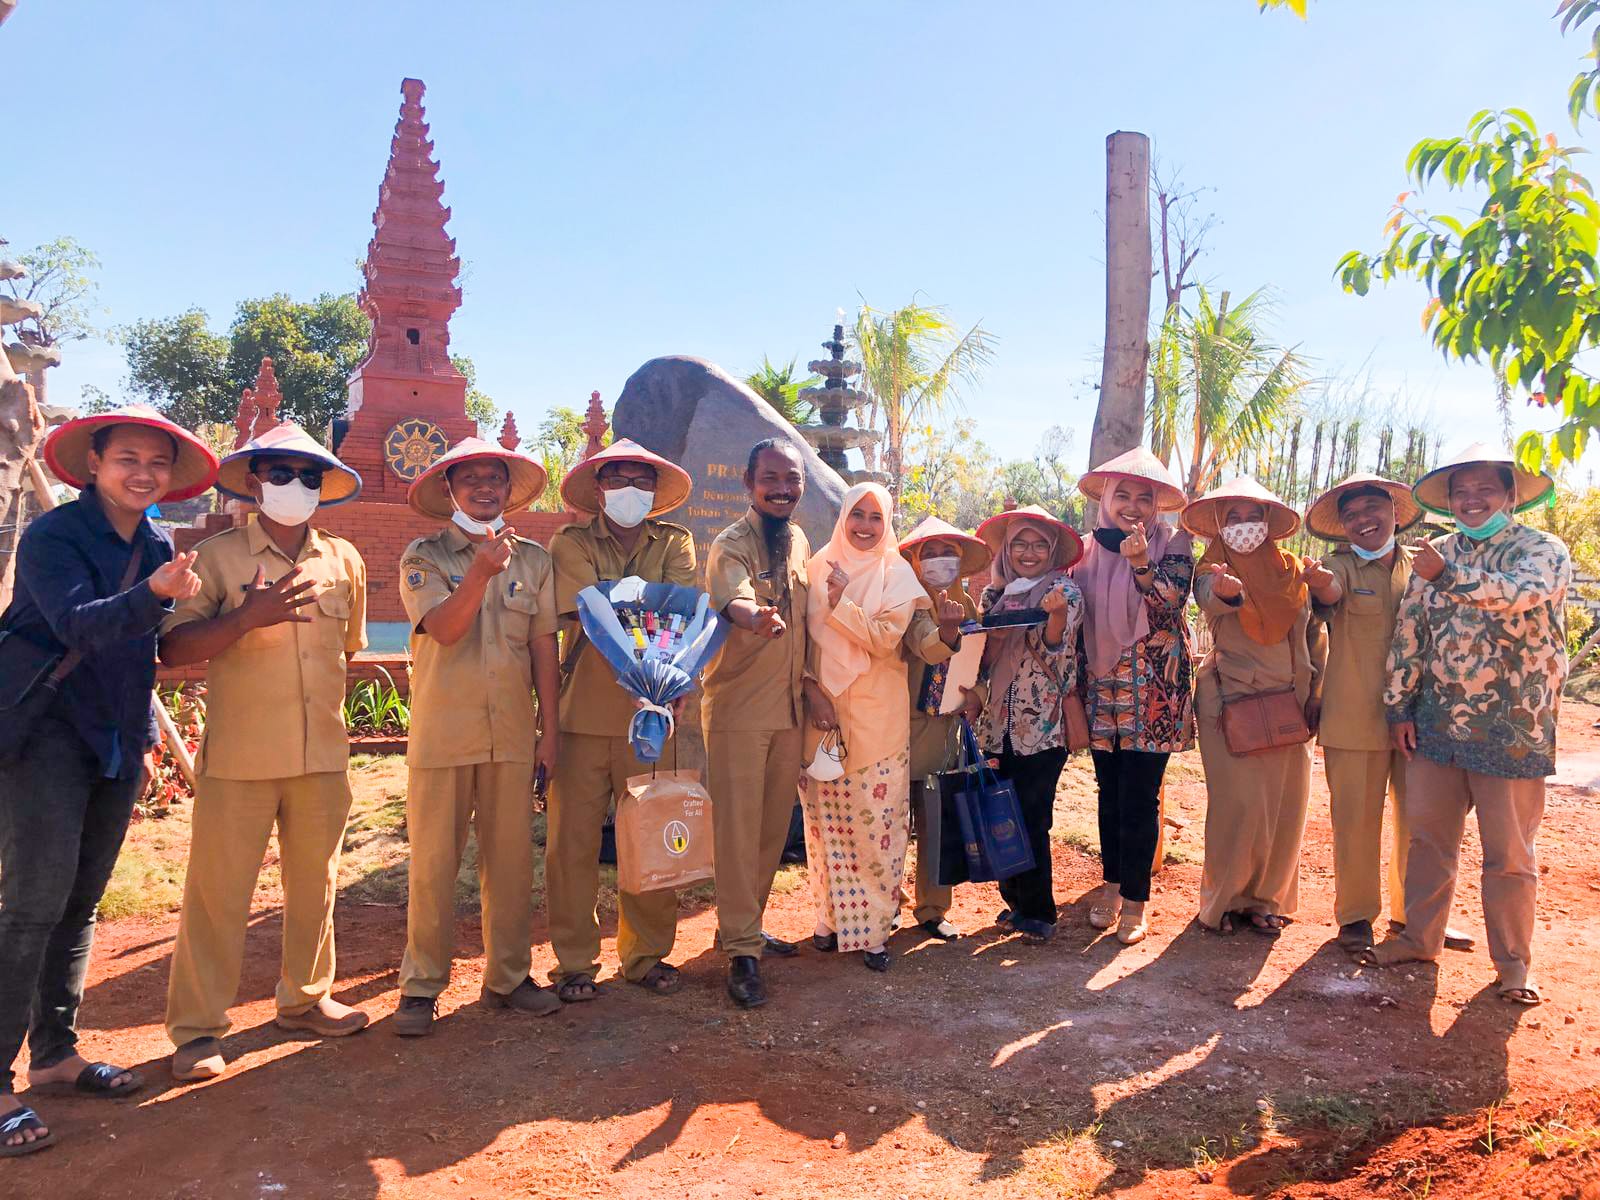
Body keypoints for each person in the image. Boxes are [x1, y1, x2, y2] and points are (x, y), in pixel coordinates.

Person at [0, 406, 216, 1157]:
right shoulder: (53, 537)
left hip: (116, 739)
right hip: (47, 735)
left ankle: (55, 1054)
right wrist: (153, 595)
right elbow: (79, 627)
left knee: (81, 903)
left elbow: (140, 652)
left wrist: (145, 733)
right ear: (93, 464)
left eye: (157, 463)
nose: (144, 473)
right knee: (31, 905)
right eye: (128, 458)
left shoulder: (157, 541)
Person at [159, 423, 368, 1081]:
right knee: (218, 894)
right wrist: (245, 618)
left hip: (322, 756)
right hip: (242, 756)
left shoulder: (344, 560)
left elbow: (350, 651)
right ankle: (196, 1031)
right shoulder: (217, 558)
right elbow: (173, 651)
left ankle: (305, 1001)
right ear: (254, 480)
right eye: (281, 472)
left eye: (309, 476)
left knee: (317, 885)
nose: (295, 486)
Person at [1365, 445, 1570, 1007]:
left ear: (1509, 495)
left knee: (1509, 854)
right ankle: (1419, 938)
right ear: (1450, 501)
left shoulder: (1541, 549)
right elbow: (1410, 635)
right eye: (1461, 492)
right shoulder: (1437, 553)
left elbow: (1519, 595)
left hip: (1514, 729)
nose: (1472, 500)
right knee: (1430, 840)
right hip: (1437, 725)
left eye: (1484, 489)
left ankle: (1513, 965)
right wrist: (1399, 708)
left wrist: (1450, 575)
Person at [391, 439, 563, 1036]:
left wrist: (550, 730)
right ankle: (420, 986)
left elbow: (545, 646)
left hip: (512, 732)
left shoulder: (535, 562)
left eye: (496, 479)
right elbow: (442, 628)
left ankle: (510, 977)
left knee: (512, 862)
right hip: (444, 733)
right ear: (450, 490)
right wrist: (482, 571)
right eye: (472, 480)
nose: (485, 488)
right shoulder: (425, 555)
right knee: (435, 863)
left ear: (507, 490)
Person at [546, 438, 697, 1002]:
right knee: (571, 845)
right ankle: (575, 962)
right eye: (618, 480)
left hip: (654, 715)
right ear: (599, 488)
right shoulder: (571, 541)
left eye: (641, 481)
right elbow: (590, 611)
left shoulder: (676, 542)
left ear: (655, 493)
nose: (630, 491)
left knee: (654, 835)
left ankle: (646, 954)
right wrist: (643, 605)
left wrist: (626, 604)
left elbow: (681, 612)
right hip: (583, 714)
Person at [1186, 477, 1331, 936]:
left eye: (1254, 517)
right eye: (1234, 518)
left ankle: (1267, 899)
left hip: (1291, 703)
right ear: (1219, 525)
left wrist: (1316, 697)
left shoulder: (1295, 572)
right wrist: (1227, 591)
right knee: (1237, 807)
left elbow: (1314, 638)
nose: (1244, 526)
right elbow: (1212, 598)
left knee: (1286, 806)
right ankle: (1223, 902)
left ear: (1269, 522)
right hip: (1230, 702)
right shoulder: (1211, 569)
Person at [1306, 473, 1441, 958]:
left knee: (1421, 822)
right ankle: (1357, 917)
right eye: (1352, 515)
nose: (1364, 521)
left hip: (1421, 716)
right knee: (1355, 822)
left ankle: (1415, 916)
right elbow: (1328, 594)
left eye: (1372, 510)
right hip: (1353, 717)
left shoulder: (1423, 565)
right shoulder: (1336, 566)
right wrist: (1319, 585)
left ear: (1394, 513)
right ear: (1341, 527)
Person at [799, 482, 928, 972]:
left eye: (876, 517)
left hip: (878, 717)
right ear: (843, 517)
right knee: (824, 823)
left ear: (888, 521)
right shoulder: (815, 568)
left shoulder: (898, 575)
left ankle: (874, 930)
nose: (866, 526)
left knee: (876, 829)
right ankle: (829, 920)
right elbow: (801, 647)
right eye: (858, 515)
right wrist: (811, 687)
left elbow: (882, 639)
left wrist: (841, 603)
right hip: (822, 712)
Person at [703, 438, 811, 1008]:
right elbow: (733, 599)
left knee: (772, 828)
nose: (782, 488)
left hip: (788, 710)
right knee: (738, 831)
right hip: (739, 710)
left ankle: (746, 925)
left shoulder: (797, 540)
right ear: (749, 482)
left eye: (791, 479)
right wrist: (753, 616)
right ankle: (742, 950)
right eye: (770, 477)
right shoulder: (730, 544)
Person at [1073, 448, 1193, 946]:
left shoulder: (1174, 543)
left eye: (1145, 498)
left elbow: (1169, 604)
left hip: (1155, 694)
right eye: (1122, 494)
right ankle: (1112, 887)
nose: (1133, 506)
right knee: (1109, 792)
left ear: (1156, 505)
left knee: (1141, 796)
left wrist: (1142, 564)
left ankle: (1137, 903)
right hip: (1100, 689)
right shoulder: (1084, 551)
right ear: (1105, 498)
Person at [973, 505, 1086, 944]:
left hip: (1043, 725)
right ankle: (1014, 901)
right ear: (1007, 549)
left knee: (1034, 814)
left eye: (1040, 544)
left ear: (1053, 549)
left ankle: (1039, 909)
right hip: (996, 722)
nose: (1029, 551)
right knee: (1001, 811)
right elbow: (982, 656)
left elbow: (1058, 646)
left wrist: (1054, 616)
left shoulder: (1064, 590)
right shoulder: (993, 595)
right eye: (1020, 542)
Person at [896, 516, 991, 940]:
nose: (939, 561)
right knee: (891, 824)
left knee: (937, 822)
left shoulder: (969, 606)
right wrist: (945, 631)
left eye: (947, 553)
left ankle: (933, 908)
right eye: (928, 553)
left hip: (945, 732)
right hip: (899, 729)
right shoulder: (903, 600)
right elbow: (924, 644)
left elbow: (981, 665)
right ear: (913, 561)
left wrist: (978, 696)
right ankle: (886, 902)